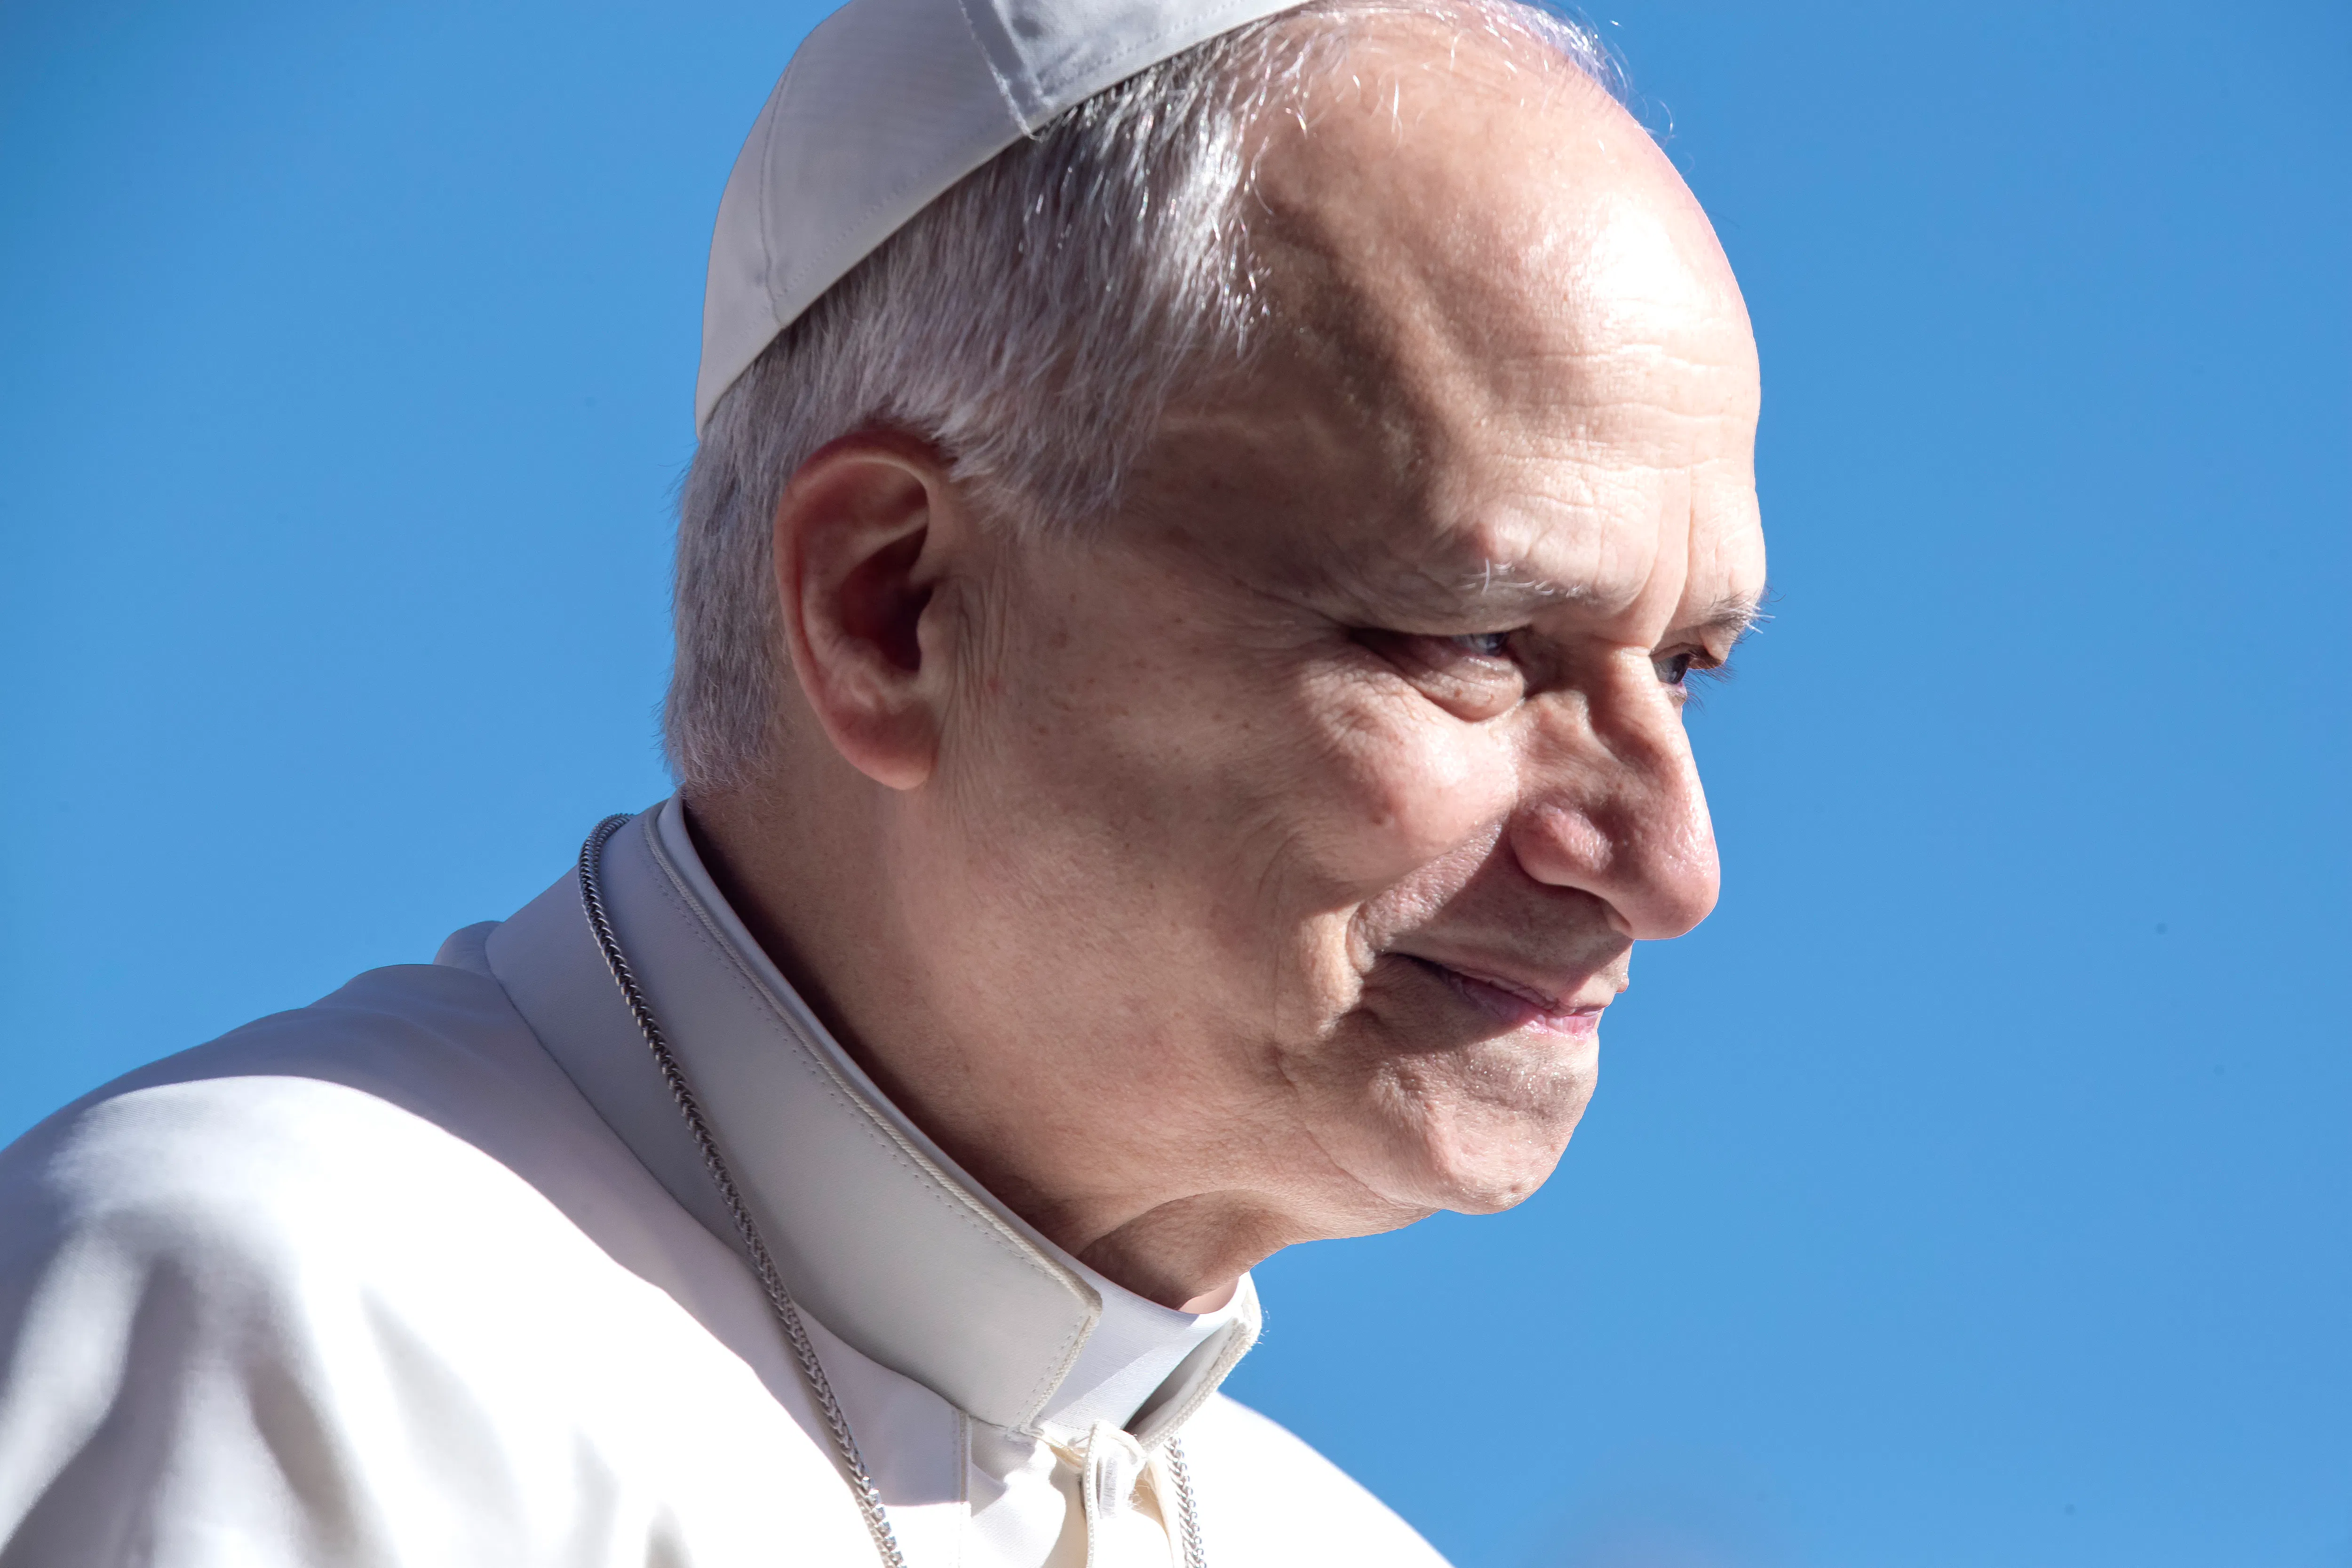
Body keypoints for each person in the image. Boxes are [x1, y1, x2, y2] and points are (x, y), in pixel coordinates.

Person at [0, 0, 1765, 1560]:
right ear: (893, 608)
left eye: (1687, 665)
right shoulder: (289, 1331)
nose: (1671, 865)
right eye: (1476, 637)